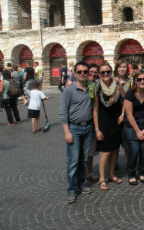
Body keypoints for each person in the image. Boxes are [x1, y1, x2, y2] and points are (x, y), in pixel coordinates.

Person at [59, 61, 94, 203]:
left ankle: (81, 183)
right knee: (73, 161)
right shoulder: (69, 90)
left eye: (85, 71)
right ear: (75, 73)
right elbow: (62, 112)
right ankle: (72, 189)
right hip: (74, 128)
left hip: (88, 127)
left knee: (84, 159)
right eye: (79, 72)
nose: (83, 74)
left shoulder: (91, 87)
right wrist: (67, 132)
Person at [93, 61, 123, 190]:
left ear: (111, 73)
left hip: (116, 121)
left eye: (108, 72)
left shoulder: (117, 86)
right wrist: (97, 128)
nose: (105, 74)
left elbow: (125, 100)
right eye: (103, 72)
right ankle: (101, 178)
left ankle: (111, 174)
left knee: (115, 149)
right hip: (103, 122)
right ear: (99, 74)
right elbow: (94, 109)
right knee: (105, 152)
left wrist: (123, 114)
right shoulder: (96, 87)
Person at [123, 70, 144, 185]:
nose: (142, 81)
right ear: (135, 81)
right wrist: (137, 131)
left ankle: (142, 172)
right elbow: (129, 114)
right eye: (139, 79)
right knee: (134, 151)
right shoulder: (130, 94)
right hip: (132, 125)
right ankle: (131, 173)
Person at [86, 64, 100, 181]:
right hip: (83, 120)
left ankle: (89, 172)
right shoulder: (83, 84)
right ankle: (80, 174)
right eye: (91, 71)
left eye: (96, 72)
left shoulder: (98, 84)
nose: (93, 74)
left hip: (94, 121)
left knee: (91, 150)